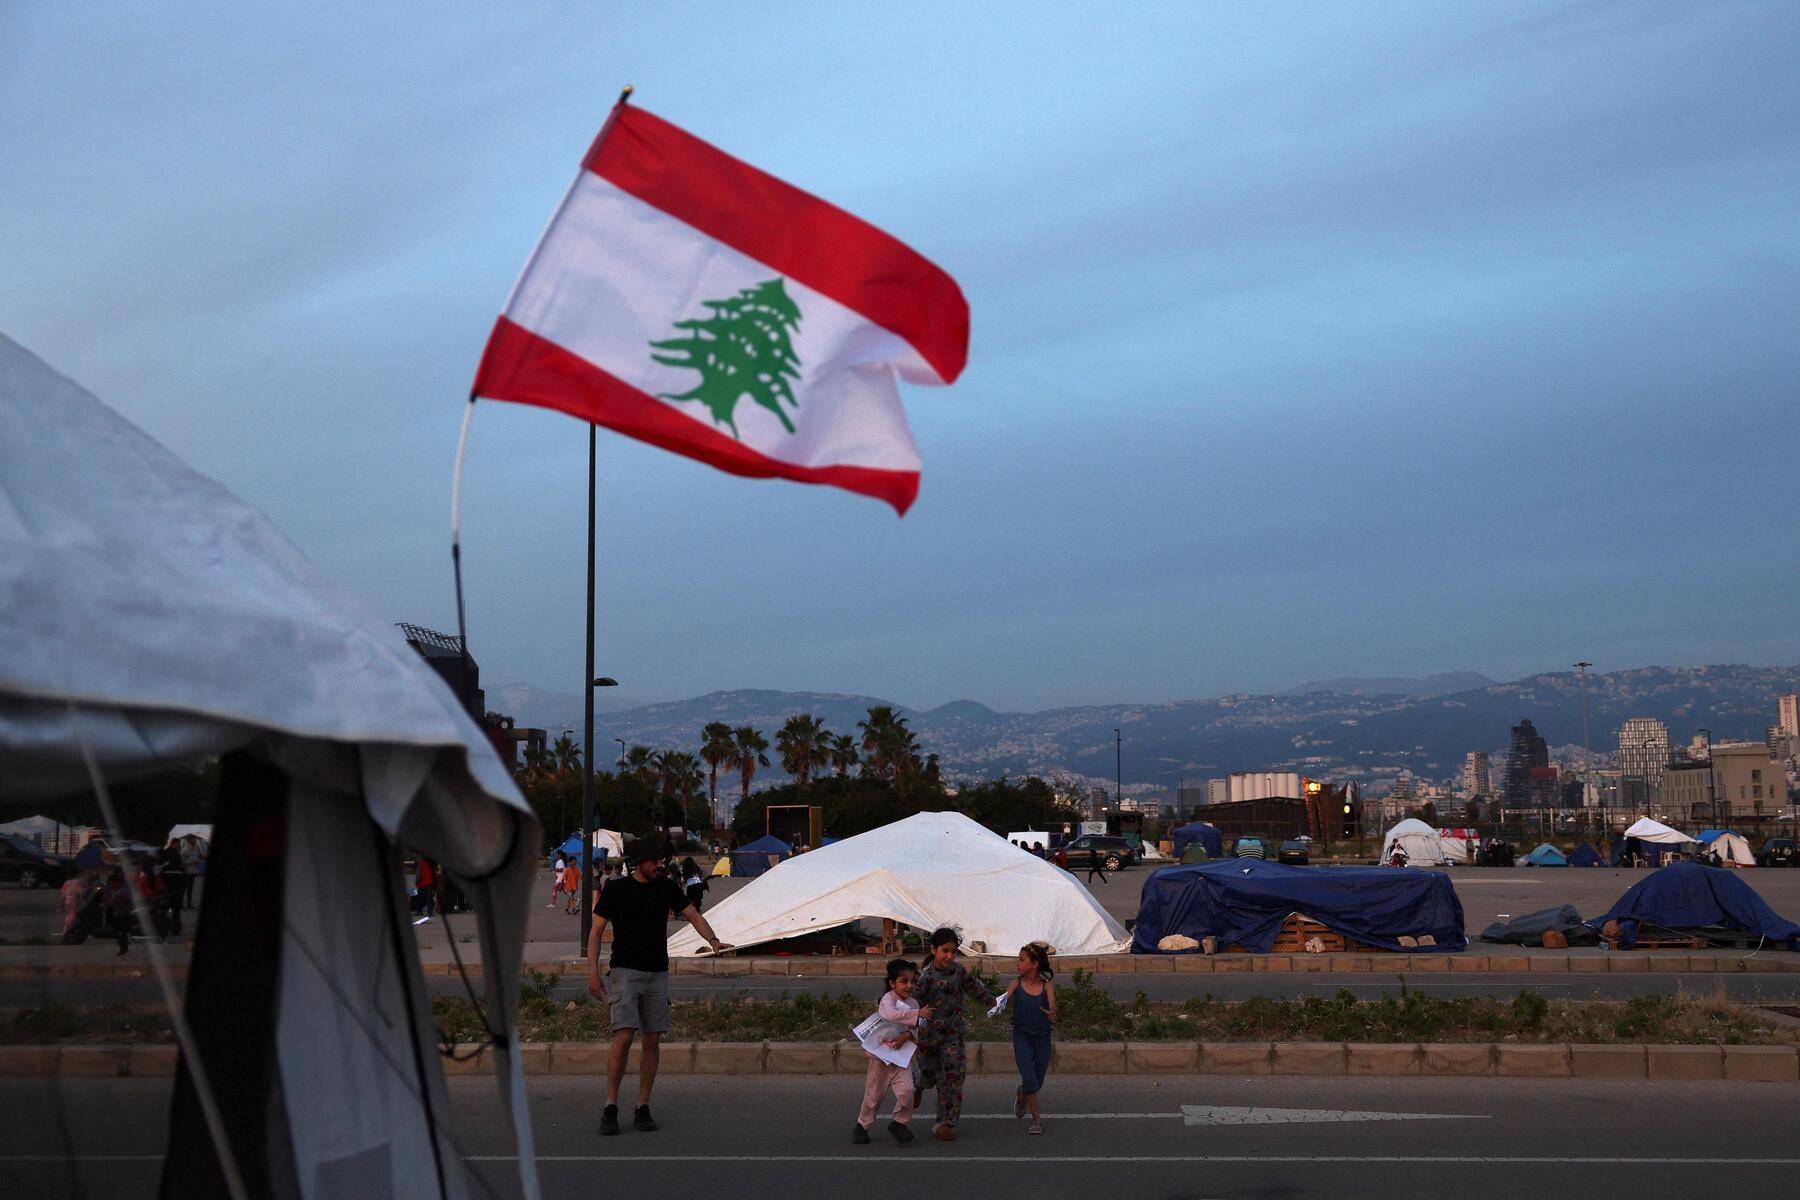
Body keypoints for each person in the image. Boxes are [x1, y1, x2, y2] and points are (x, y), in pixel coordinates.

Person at [587, 841, 731, 1136]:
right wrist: (592, 972)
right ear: (638, 863)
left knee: (652, 1039)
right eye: (654, 861)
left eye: (660, 860)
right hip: (624, 970)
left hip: (657, 972)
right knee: (624, 1035)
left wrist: (713, 940)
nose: (660, 865)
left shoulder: (665, 887)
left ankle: (643, 1106)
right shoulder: (616, 889)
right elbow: (596, 931)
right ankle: (610, 1105)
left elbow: (692, 915)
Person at [912, 927, 995, 1142]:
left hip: (952, 1037)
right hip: (928, 1038)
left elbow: (975, 988)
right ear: (933, 950)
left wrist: (994, 1001)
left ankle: (946, 1122)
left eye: (953, 951)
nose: (949, 956)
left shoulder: (959, 972)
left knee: (953, 1078)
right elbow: (910, 1004)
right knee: (927, 1075)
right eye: (945, 951)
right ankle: (917, 1086)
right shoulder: (925, 978)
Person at [853, 958, 932, 1145]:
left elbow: (918, 1027)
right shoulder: (888, 1000)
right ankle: (862, 1125)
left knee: (907, 1092)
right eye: (904, 981)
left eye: (912, 981)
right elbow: (891, 1015)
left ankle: (899, 1123)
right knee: (873, 1096)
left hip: (900, 1058)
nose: (909, 986)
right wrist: (917, 1015)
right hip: (881, 1058)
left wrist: (907, 1036)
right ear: (892, 983)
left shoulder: (913, 1003)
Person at [1003, 943, 1058, 1134]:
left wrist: (1052, 1013)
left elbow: (1053, 1006)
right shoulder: (1015, 984)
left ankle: (1023, 1093)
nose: (1017, 963)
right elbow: (1001, 1001)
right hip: (1022, 1037)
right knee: (1029, 1077)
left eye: (1021, 960)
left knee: (1037, 1080)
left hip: (1042, 1037)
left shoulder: (1046, 987)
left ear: (1034, 964)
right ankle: (1036, 1120)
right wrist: (994, 1005)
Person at [158, 841, 187, 937]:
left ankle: (165, 928)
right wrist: (181, 891)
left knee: (164, 912)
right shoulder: (181, 870)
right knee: (176, 912)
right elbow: (184, 883)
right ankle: (176, 930)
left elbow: (160, 881)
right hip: (178, 894)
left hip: (167, 894)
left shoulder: (165, 869)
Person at [104, 866, 133, 955]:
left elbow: (118, 903)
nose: (112, 885)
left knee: (121, 933)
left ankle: (123, 949)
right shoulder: (114, 891)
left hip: (123, 915)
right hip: (117, 914)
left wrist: (110, 902)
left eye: (113, 883)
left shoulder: (122, 892)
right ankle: (123, 948)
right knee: (119, 933)